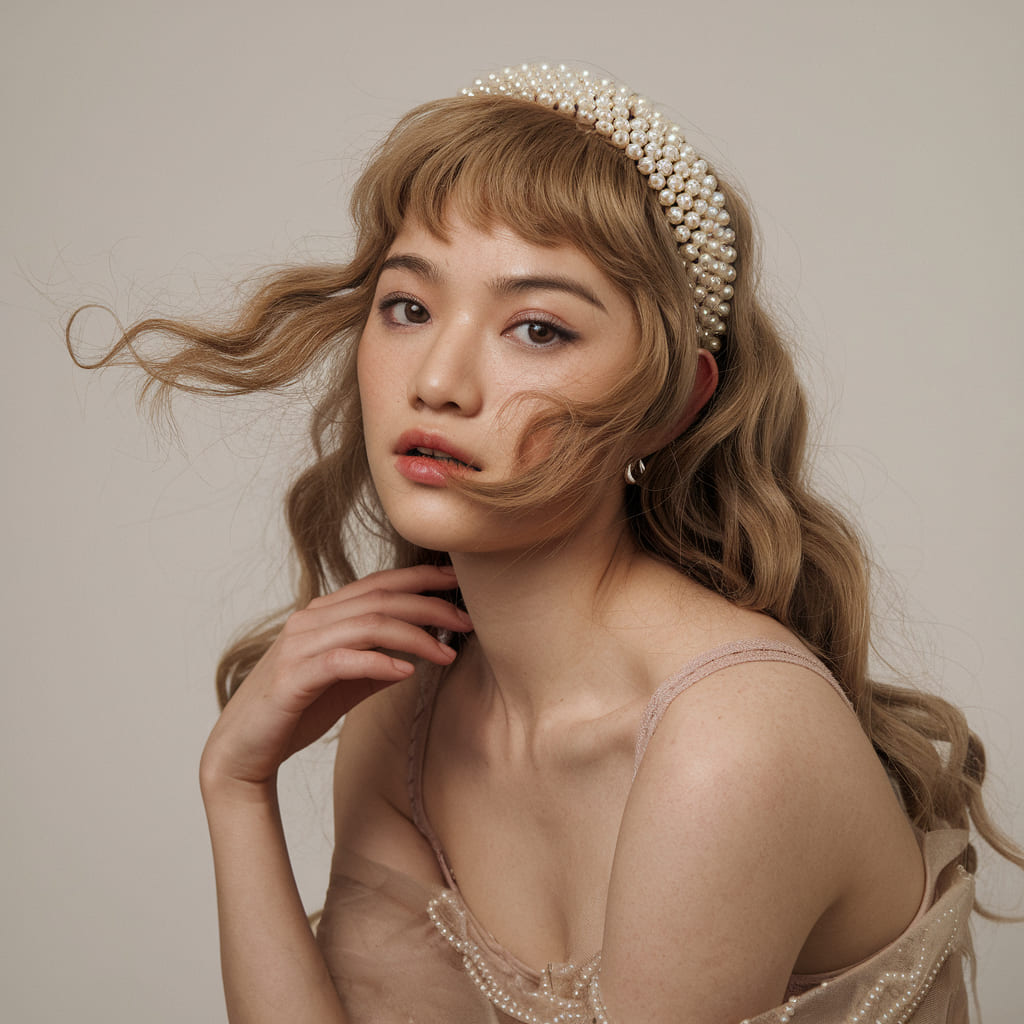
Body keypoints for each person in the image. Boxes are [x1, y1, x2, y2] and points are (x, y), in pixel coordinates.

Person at [69, 63, 1022, 1023]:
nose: (438, 380)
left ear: (672, 404)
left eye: (536, 328)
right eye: (408, 306)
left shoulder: (728, 738)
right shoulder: (410, 711)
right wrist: (235, 786)